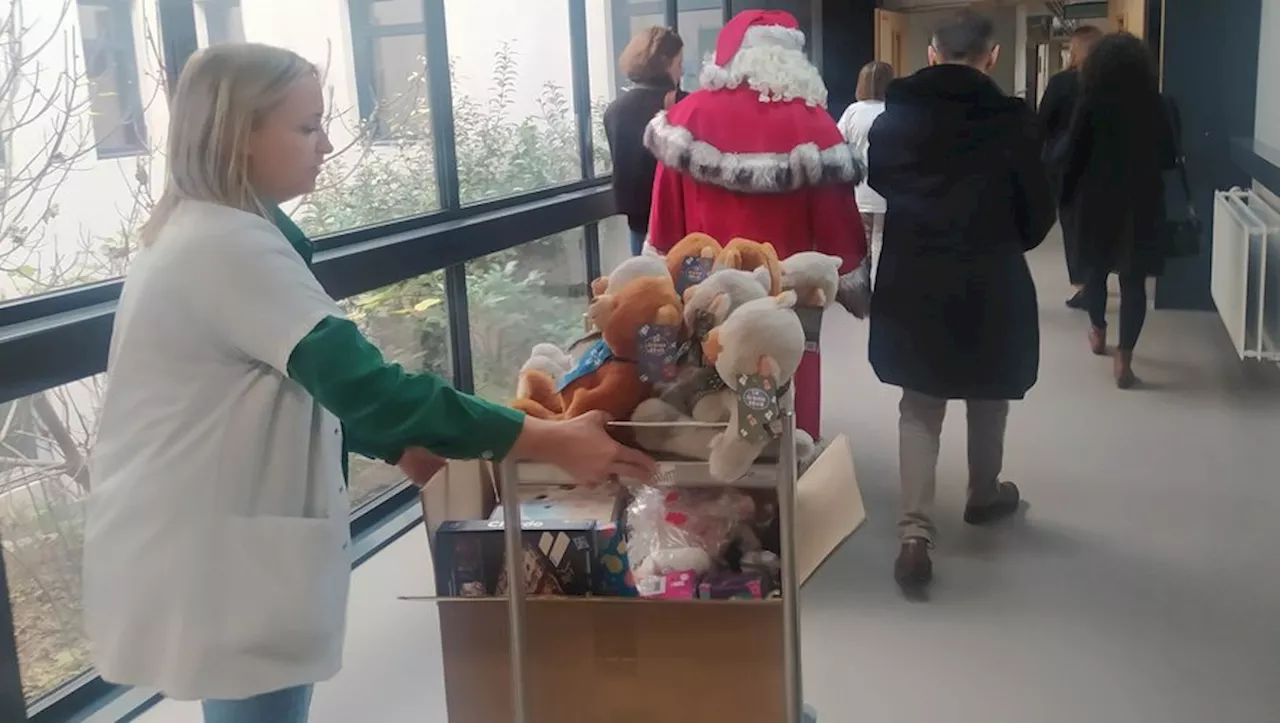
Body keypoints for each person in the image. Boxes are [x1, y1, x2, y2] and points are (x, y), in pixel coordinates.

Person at [82, 43, 658, 723]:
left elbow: (296, 380)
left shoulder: (209, 230)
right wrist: (544, 438)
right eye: (306, 127)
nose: (325, 144)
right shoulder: (227, 247)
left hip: (202, 534)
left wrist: (394, 444)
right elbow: (369, 385)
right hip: (214, 551)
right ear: (240, 135)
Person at [866, 9, 1055, 594]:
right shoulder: (1012, 122)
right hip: (989, 271)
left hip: (914, 271)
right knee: (988, 389)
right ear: (991, 57)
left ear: (931, 53)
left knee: (919, 402)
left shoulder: (895, 119)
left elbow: (881, 181)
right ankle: (982, 494)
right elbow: (1038, 211)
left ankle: (915, 534)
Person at [643, 9, 869, 442]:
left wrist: (660, 272)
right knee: (783, 385)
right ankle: (783, 475)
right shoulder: (815, 126)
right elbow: (837, 224)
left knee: (708, 383)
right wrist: (849, 274)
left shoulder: (686, 119)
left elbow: (664, 216)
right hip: (788, 293)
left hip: (703, 288)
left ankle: (720, 480)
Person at [1059, 32, 1176, 388]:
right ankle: (1124, 360)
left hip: (1097, 201)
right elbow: (1169, 158)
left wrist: (1064, 195)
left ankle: (1098, 331)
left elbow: (1072, 154)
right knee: (1134, 280)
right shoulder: (1157, 104)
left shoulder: (1091, 101)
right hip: (1141, 202)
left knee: (1096, 270)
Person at [603, 26, 686, 256]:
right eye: (679, 63)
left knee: (647, 286)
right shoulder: (685, 105)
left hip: (638, 222)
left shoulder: (614, 110)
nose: (682, 70)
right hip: (677, 222)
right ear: (665, 62)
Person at [1038, 24, 1103, 309]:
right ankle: (1097, 277)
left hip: (1066, 165)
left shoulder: (1062, 83)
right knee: (1100, 224)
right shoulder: (1111, 83)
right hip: (1103, 165)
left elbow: (1043, 123)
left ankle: (1083, 284)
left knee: (1072, 225)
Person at [837, 61, 894, 280]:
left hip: (859, 186)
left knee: (861, 238)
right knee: (881, 238)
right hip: (886, 186)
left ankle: (859, 282)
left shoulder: (852, 111)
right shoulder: (892, 110)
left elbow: (837, 142)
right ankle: (876, 285)